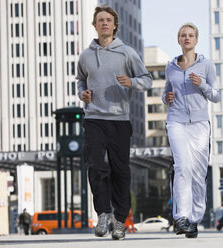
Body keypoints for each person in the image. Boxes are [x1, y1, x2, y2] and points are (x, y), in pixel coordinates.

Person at [76, 5, 152, 240]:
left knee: (120, 172)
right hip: (94, 119)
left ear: (115, 25)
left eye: (108, 20)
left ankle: (119, 221)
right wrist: (83, 94)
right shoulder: (86, 55)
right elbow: (80, 80)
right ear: (95, 25)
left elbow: (147, 80)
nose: (105, 23)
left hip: (119, 120)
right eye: (100, 20)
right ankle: (103, 214)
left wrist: (131, 82)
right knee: (96, 167)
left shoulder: (126, 53)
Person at [163, 22, 220, 238]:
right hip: (176, 121)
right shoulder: (171, 67)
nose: (187, 38)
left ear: (196, 40)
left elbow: (216, 95)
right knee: (182, 167)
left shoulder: (206, 66)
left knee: (198, 173)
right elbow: (166, 92)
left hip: (199, 124)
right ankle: (181, 217)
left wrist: (202, 85)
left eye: (191, 35)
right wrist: (165, 98)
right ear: (179, 40)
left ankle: (195, 219)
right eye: (183, 35)